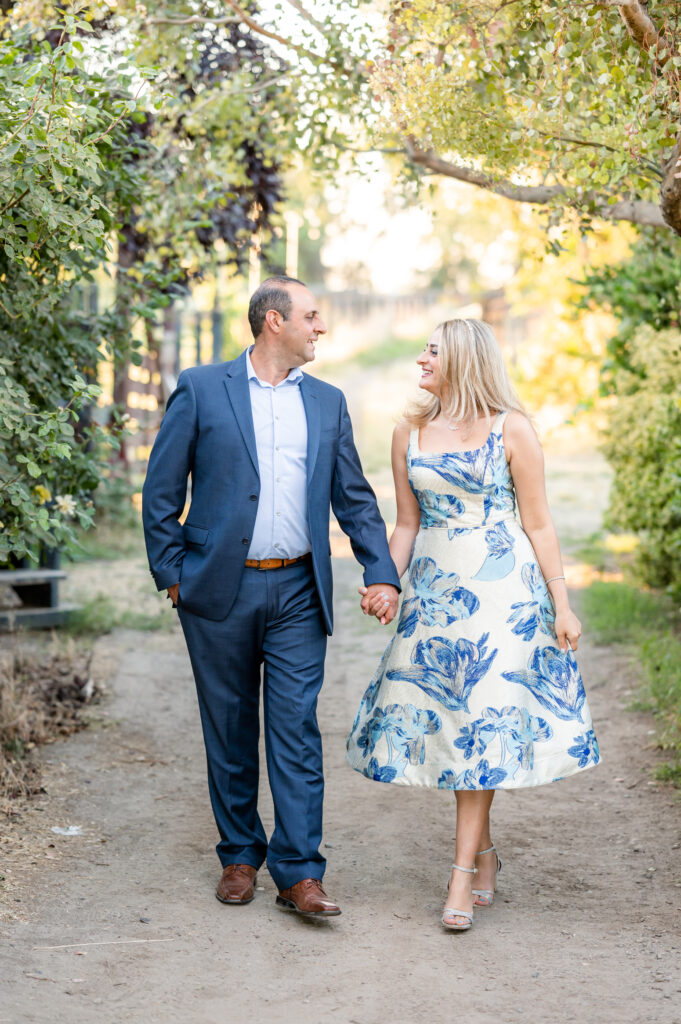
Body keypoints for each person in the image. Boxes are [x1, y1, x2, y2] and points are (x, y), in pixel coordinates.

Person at [142, 275, 400, 918]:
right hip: (216, 588)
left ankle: (299, 871)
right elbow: (161, 491)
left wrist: (381, 570)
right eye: (312, 316)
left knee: (295, 727)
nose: (321, 327)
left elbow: (354, 496)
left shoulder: (329, 402)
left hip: (299, 588)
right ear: (273, 322)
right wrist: (172, 572)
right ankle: (238, 855)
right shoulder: (203, 389)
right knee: (228, 727)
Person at [347, 318, 600, 931]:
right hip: (435, 598)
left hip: (505, 597)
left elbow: (539, 523)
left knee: (481, 727)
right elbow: (405, 523)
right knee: (454, 723)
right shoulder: (407, 432)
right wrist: (386, 579)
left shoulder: (512, 429)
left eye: (432, 351)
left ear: (462, 358)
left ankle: (460, 873)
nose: (420, 360)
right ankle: (484, 852)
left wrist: (563, 605)